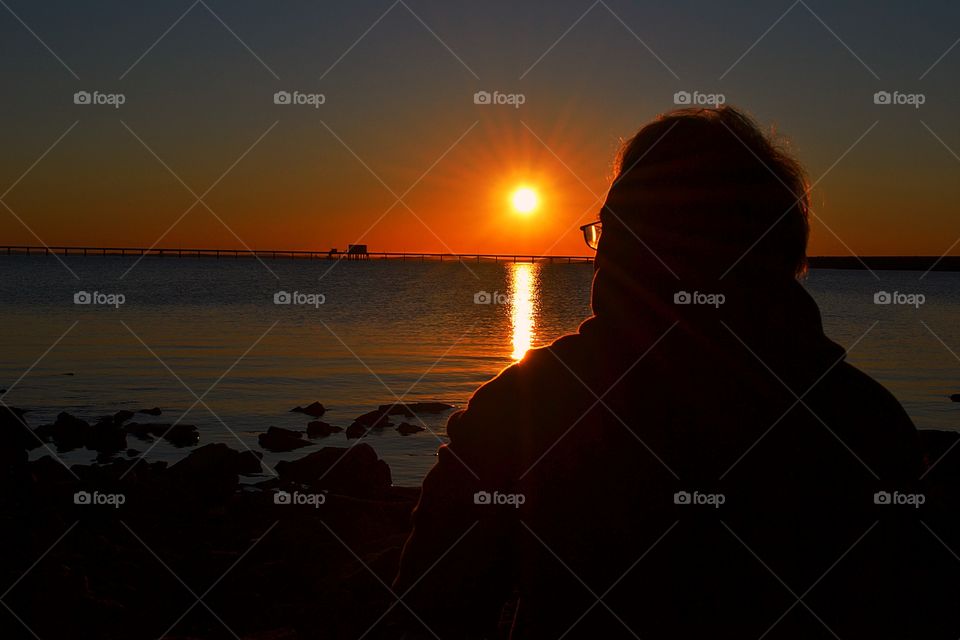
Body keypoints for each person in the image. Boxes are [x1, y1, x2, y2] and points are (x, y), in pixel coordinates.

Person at [392, 107, 925, 639]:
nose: (600, 255)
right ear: (782, 253)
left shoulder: (526, 409)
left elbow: (429, 614)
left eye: (614, 229)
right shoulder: (865, 422)